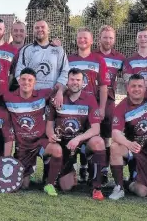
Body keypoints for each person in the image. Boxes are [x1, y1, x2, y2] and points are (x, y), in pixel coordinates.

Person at [0, 67, 65, 191]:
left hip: (39, 142)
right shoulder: (8, 97)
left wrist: (60, 92)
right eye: (23, 79)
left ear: (35, 82)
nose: (26, 82)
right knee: (23, 185)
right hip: (22, 147)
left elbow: (62, 87)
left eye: (30, 80)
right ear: (19, 81)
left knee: (57, 150)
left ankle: (50, 184)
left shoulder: (43, 94)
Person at [46, 68, 106, 200]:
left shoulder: (89, 98)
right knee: (66, 187)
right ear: (67, 81)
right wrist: (51, 135)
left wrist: (78, 138)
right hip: (63, 144)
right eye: (72, 79)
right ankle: (69, 171)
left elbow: (96, 129)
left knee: (98, 142)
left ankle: (96, 187)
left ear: (83, 82)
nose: (75, 83)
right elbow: (49, 126)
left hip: (82, 142)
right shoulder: (56, 98)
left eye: (78, 80)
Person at [67, 28, 110, 184]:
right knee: (71, 135)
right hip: (72, 108)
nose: (82, 40)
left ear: (92, 41)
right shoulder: (69, 58)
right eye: (80, 38)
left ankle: (94, 174)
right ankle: (69, 170)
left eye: (86, 38)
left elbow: (104, 86)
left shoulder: (99, 60)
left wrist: (102, 108)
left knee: (93, 139)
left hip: (91, 108)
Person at [109, 74, 147, 200]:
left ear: (145, 88)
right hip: (133, 147)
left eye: (140, 86)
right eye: (133, 86)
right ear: (127, 87)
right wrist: (128, 143)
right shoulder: (121, 107)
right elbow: (115, 133)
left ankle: (128, 183)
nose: (136, 89)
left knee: (142, 191)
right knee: (115, 147)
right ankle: (119, 187)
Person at [93, 25, 126, 185]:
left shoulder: (120, 58)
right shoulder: (92, 55)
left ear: (114, 40)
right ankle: (86, 168)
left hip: (110, 101)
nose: (108, 40)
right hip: (91, 100)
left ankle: (104, 171)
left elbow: (130, 73)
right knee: (90, 135)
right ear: (99, 38)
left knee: (107, 138)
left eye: (110, 38)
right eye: (105, 37)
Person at [14, 20, 69, 105]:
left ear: (48, 30)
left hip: (52, 97)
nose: (40, 29)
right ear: (33, 31)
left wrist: (59, 89)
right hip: (32, 97)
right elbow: (19, 72)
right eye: (36, 28)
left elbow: (65, 71)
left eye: (42, 27)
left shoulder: (58, 50)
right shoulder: (27, 49)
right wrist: (26, 90)